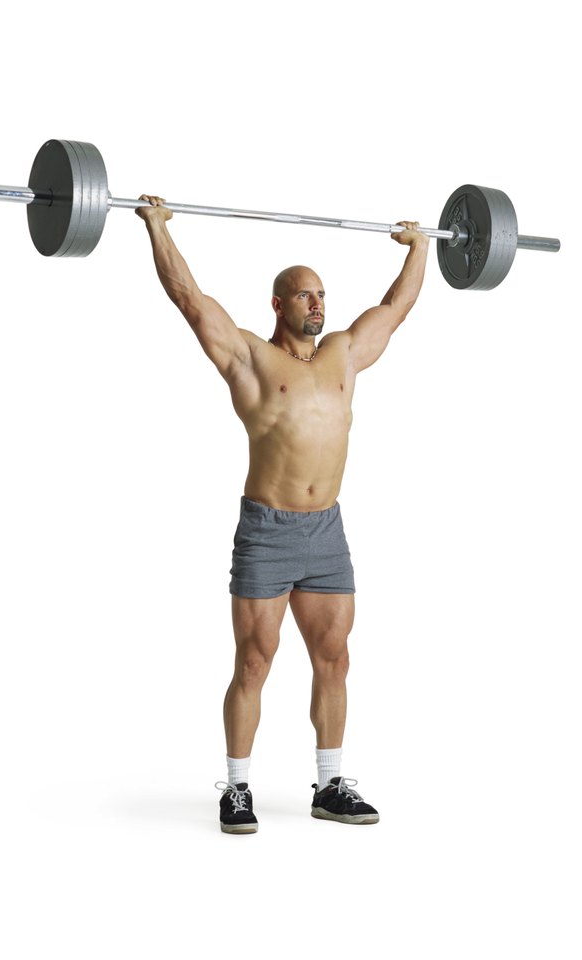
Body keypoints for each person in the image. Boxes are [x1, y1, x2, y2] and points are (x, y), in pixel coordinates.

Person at [136, 196, 429, 834]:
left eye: (321, 294)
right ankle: (237, 789)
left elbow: (396, 310)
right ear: (278, 304)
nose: (317, 304)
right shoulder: (250, 359)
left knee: (335, 656)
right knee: (253, 661)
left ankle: (330, 785)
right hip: (268, 531)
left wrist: (421, 248)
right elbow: (190, 300)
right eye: (303, 295)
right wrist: (158, 228)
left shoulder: (345, 355)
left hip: (327, 531)